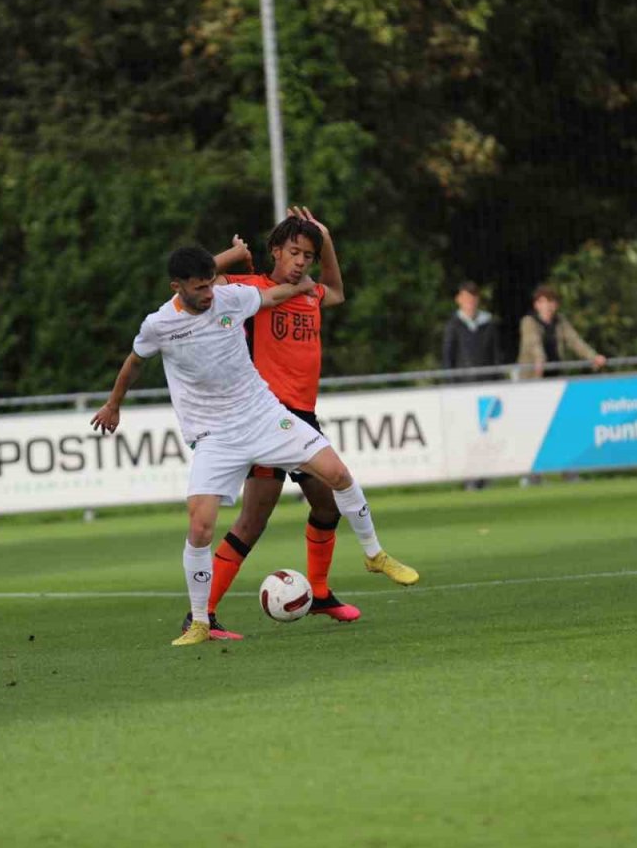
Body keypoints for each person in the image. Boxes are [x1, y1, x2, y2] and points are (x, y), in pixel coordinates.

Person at [90, 246, 417, 646]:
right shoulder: (159, 324)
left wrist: (304, 285)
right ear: (177, 288)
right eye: (199, 288)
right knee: (200, 525)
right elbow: (134, 362)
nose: (209, 294)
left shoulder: (229, 298)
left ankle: (374, 554)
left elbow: (274, 294)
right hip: (215, 435)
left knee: (337, 474)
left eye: (211, 284)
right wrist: (113, 404)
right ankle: (199, 622)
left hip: (263, 416)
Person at [186, 208, 417, 640]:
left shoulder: (311, 292)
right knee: (252, 522)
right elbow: (199, 281)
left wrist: (326, 239)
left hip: (303, 417)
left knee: (327, 504)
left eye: (307, 256)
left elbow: (338, 293)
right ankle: (203, 614)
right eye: (294, 252)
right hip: (265, 417)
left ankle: (322, 593)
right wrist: (235, 255)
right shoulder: (251, 290)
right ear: (275, 250)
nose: (299, 262)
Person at [517, 285, 607, 379]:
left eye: (551, 301)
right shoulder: (529, 321)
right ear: (536, 305)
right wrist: (540, 360)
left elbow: (575, 341)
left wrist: (593, 356)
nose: (548, 306)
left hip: (556, 375)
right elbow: (534, 343)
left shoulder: (561, 321)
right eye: (543, 302)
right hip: (532, 377)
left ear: (557, 304)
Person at [442, 281, 501, 379]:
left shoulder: (489, 324)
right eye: (466, 298)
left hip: (488, 383)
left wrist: (498, 379)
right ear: (458, 299)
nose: (470, 302)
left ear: (478, 299)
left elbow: (496, 355)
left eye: (473, 298)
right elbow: (448, 357)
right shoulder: (453, 325)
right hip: (463, 385)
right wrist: (451, 383)